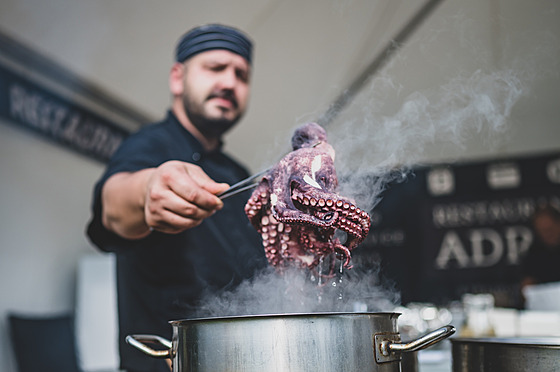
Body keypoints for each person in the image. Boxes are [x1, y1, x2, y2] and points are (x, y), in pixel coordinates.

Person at [86, 24, 267, 372]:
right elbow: (112, 210)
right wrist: (148, 191)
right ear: (177, 78)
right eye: (215, 68)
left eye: (241, 75)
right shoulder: (148, 145)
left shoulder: (238, 171)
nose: (229, 82)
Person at [521, 203, 560, 290]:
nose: (546, 235)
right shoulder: (535, 253)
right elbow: (527, 285)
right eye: (541, 231)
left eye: (549, 229)